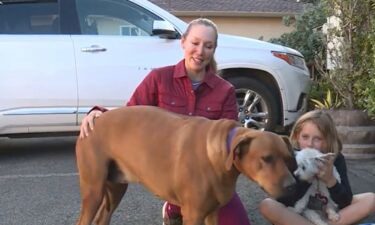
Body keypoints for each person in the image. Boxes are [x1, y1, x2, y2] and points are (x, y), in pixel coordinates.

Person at [79, 18, 251, 225]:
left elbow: (230, 142)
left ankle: (176, 208)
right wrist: (99, 113)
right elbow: (131, 114)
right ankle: (173, 205)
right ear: (183, 43)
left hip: (206, 177)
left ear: (214, 49)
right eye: (195, 43)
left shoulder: (225, 91)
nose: (200, 51)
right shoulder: (159, 78)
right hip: (167, 174)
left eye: (208, 46)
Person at [259, 110, 375, 225]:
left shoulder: (335, 158)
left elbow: (345, 202)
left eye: (317, 139)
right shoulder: (293, 158)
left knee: (370, 199)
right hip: (299, 214)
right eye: (305, 137)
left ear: (327, 141)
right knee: (268, 205)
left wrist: (330, 180)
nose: (310, 144)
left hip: (329, 214)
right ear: (296, 137)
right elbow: (285, 200)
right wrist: (307, 177)